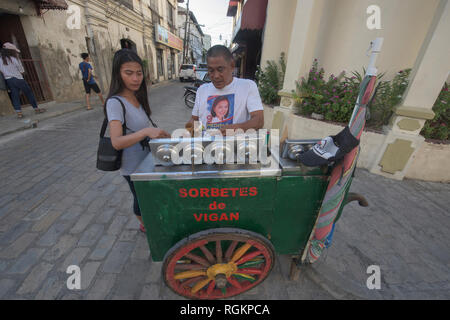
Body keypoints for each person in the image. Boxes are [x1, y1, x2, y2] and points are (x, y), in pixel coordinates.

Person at [105, 49, 170, 233]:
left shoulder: (136, 97)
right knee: (141, 199)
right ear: (118, 74)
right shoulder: (115, 103)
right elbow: (116, 142)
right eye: (129, 73)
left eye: (139, 73)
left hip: (146, 160)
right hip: (132, 165)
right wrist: (146, 132)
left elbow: (142, 127)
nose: (135, 78)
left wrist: (160, 134)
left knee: (148, 196)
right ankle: (145, 225)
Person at [185, 45, 264, 135]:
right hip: (207, 146)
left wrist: (235, 128)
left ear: (232, 66)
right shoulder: (202, 90)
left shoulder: (247, 86)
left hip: (235, 147)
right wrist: (189, 130)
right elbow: (194, 119)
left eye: (220, 69)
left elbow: (259, 121)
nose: (216, 76)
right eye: (211, 70)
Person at [0, 42, 46, 118]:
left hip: (9, 80)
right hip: (18, 79)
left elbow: (1, 70)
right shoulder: (14, 59)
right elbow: (21, 71)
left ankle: (19, 113)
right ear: (10, 51)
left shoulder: (0, 60)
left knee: (15, 95)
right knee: (29, 93)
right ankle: (36, 109)